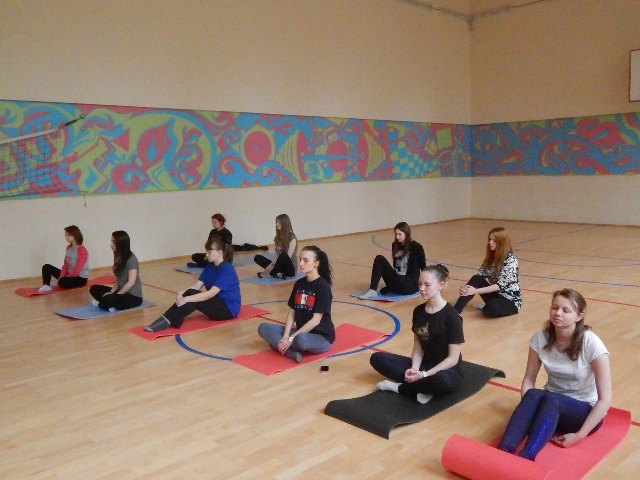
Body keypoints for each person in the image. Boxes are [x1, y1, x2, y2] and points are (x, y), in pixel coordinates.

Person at [497, 288, 611, 461]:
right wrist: (529, 410)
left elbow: (605, 400)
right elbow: (529, 379)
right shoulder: (540, 338)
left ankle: (527, 457)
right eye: (555, 307)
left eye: (566, 310)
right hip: (550, 406)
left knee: (552, 399)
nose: (558, 313)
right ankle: (503, 451)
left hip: (583, 412)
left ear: (579, 316)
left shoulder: (592, 343)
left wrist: (579, 436)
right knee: (533, 394)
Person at [371, 264, 465, 404]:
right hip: (424, 365)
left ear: (441, 285)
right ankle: (424, 388)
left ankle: (402, 388)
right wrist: (414, 369)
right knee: (377, 358)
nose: (421, 288)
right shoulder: (418, 311)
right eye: (420, 284)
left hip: (447, 370)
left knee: (443, 380)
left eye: (427, 285)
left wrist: (424, 375)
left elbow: (453, 359)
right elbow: (418, 348)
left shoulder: (453, 317)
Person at [145, 236, 240, 332]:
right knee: (191, 292)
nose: (206, 255)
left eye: (210, 252)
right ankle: (167, 318)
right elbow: (196, 286)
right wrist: (181, 293)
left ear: (220, 252)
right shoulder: (210, 266)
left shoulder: (227, 269)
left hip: (228, 310)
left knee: (193, 297)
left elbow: (210, 294)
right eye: (206, 252)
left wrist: (186, 299)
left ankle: (168, 320)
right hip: (216, 303)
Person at [257, 245, 334, 363]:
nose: (301, 263)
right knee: (263, 328)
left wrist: (291, 338)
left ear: (316, 264)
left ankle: (279, 346)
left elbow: (316, 320)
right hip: (300, 331)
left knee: (301, 340)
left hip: (321, 337)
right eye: (300, 260)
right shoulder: (299, 283)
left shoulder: (323, 287)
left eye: (305, 260)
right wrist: (285, 336)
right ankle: (290, 352)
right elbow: (292, 312)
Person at [453, 226, 522, 317]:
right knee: (476, 278)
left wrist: (475, 291)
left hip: (510, 301)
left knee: (491, 307)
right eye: (490, 239)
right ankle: (456, 311)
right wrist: (466, 288)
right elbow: (479, 276)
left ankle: (486, 307)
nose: (490, 243)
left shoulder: (511, 260)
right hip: (496, 295)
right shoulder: (491, 258)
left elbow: (499, 286)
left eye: (494, 241)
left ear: (501, 243)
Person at [359, 221, 426, 299]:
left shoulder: (417, 247)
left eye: (400, 234)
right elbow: (395, 267)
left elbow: (423, 267)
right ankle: (373, 290)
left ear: (406, 234)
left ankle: (389, 288)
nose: (397, 237)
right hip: (397, 280)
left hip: (409, 284)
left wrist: (424, 285)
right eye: (396, 234)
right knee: (379, 258)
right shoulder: (395, 245)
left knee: (400, 279)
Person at [89, 231, 143, 311]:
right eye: (111, 241)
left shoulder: (132, 259)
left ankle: (103, 304)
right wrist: (111, 292)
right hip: (121, 291)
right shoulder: (118, 256)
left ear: (121, 243)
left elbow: (131, 282)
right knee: (93, 288)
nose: (111, 244)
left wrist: (116, 295)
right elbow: (118, 278)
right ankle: (108, 304)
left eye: (113, 242)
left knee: (108, 299)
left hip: (133, 297)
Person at [39, 225, 89, 292]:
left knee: (62, 282)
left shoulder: (81, 250)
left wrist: (65, 277)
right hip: (68, 274)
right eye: (66, 235)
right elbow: (66, 265)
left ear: (75, 235)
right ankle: (46, 285)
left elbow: (77, 269)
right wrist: (61, 276)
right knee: (46, 267)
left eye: (68, 235)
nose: (66, 237)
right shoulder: (68, 248)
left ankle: (63, 280)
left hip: (80, 278)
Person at [254, 213, 298, 279]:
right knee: (257, 257)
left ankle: (271, 273)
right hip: (280, 265)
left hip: (290, 269)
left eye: (279, 223)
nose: (276, 224)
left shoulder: (292, 238)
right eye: (276, 222)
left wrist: (271, 268)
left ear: (284, 224)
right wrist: (271, 265)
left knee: (283, 255)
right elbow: (277, 255)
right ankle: (277, 274)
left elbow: (287, 258)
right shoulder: (278, 237)